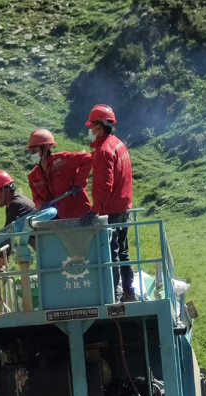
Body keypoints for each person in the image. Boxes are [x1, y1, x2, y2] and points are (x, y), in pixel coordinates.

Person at [78, 105, 135, 302]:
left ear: (100, 127)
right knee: (123, 251)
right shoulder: (119, 144)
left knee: (111, 254)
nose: (90, 130)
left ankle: (115, 294)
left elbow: (104, 185)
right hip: (123, 205)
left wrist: (94, 210)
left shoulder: (104, 150)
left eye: (92, 125)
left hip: (111, 208)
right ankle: (128, 292)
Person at [25, 129, 93, 219]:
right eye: (31, 151)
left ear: (45, 148)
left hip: (81, 216)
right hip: (56, 221)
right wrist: (41, 204)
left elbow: (88, 159)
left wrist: (79, 183)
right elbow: (36, 198)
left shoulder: (63, 160)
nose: (32, 153)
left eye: (35, 150)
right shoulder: (33, 176)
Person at [0, 170, 34, 260]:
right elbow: (8, 233)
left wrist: (0, 260)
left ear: (6, 191)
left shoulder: (16, 204)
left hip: (47, 246)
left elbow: (7, 234)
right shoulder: (12, 205)